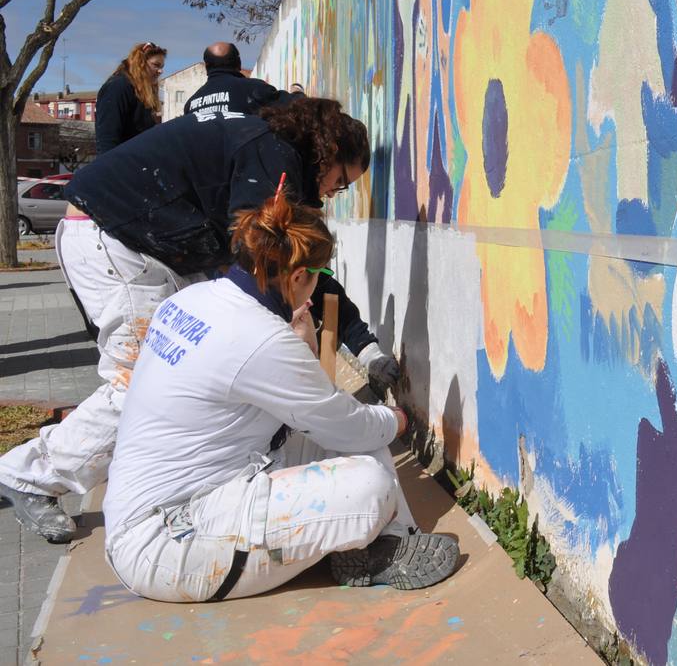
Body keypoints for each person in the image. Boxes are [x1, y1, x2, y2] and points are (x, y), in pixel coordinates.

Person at [0, 97, 385, 543]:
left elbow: (298, 273)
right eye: (338, 182)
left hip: (125, 239)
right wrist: (353, 346)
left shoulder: (261, 145)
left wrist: (359, 341)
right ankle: (28, 474)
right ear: (326, 150)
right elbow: (284, 267)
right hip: (117, 245)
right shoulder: (274, 159)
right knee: (145, 379)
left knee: (171, 370)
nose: (325, 196)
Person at [102, 191, 460, 600]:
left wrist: (302, 351)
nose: (317, 289)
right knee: (370, 481)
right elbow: (347, 425)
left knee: (355, 443)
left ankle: (386, 546)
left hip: (170, 504)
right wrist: (398, 419)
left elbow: (306, 411)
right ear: (294, 278)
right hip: (173, 544)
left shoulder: (193, 299)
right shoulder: (261, 338)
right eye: (318, 276)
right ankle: (380, 545)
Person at [183, 44, 401, 396]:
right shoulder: (270, 148)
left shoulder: (194, 103)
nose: (333, 192)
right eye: (341, 182)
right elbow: (307, 277)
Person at [95, 41, 164, 153]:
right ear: (140, 63)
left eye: (161, 66)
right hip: (120, 164)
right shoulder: (117, 87)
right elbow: (107, 137)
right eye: (156, 65)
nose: (160, 71)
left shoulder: (141, 91)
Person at [184, 42, 285, 118]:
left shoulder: (190, 105)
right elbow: (293, 107)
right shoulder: (254, 89)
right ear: (239, 62)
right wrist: (297, 90)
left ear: (206, 66)